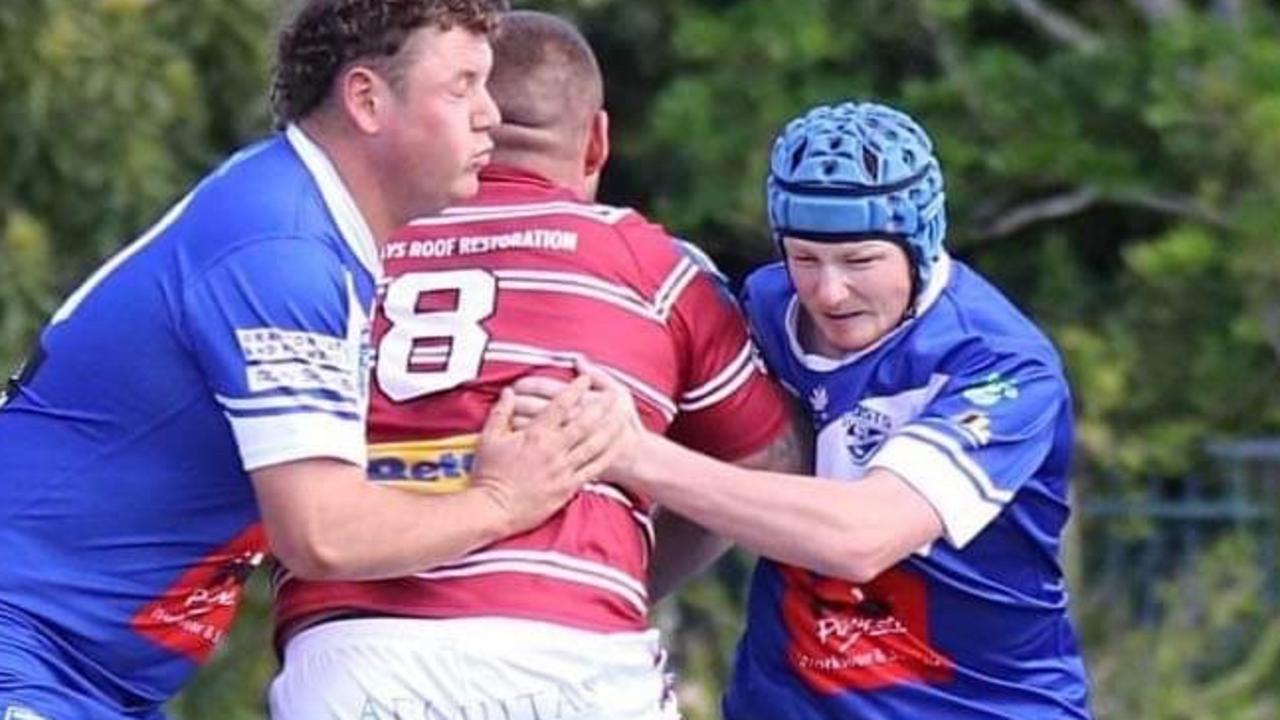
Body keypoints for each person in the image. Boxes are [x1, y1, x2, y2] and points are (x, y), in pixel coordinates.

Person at [0, 3, 634, 718]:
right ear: (366, 99)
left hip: (72, 669)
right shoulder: (284, 253)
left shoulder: (302, 221)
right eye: (461, 87)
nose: (490, 114)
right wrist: (502, 501)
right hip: (27, 648)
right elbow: (322, 534)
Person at [266, 11, 798, 720]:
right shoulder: (652, 266)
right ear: (598, 140)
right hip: (568, 656)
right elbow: (765, 472)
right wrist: (625, 568)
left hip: (347, 656)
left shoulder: (335, 254)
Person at [515, 100, 1092, 718]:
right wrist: (584, 611)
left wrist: (634, 453)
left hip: (976, 706)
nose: (829, 291)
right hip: (785, 701)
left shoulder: (1001, 364)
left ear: (921, 243)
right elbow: (731, 484)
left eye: (860, 260)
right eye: (805, 258)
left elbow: (862, 537)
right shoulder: (762, 307)